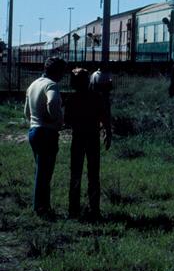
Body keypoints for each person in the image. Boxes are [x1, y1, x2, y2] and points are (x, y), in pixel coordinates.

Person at [24, 57, 67, 218]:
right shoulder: (51, 85)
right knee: (45, 173)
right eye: (62, 72)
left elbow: (26, 112)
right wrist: (54, 118)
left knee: (41, 170)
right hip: (47, 133)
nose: (63, 75)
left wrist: (36, 120)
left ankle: (44, 206)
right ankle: (40, 208)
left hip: (34, 131)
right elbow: (53, 102)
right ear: (57, 71)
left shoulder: (33, 84)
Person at [64, 68, 110, 220]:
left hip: (78, 138)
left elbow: (67, 121)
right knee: (93, 174)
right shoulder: (96, 97)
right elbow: (104, 116)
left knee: (75, 174)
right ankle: (94, 209)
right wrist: (107, 133)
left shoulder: (71, 99)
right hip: (93, 138)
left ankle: (73, 210)